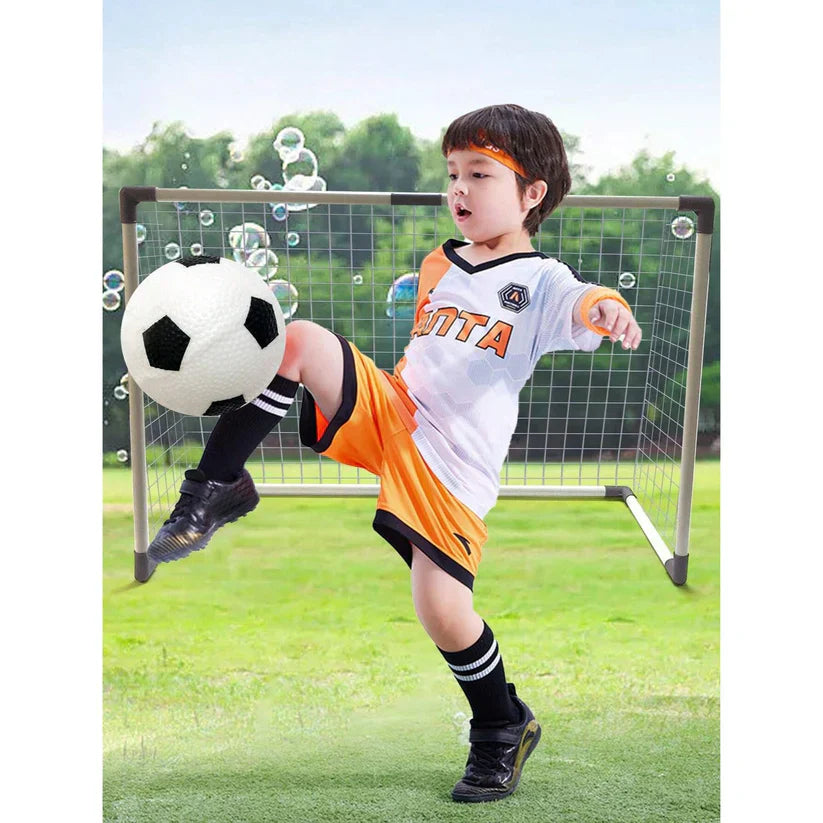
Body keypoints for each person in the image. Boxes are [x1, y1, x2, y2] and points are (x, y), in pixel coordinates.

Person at [147, 103, 642, 803]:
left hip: (453, 466)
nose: (459, 189)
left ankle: (503, 724)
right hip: (396, 411)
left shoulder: (542, 281)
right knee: (301, 341)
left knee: (441, 611)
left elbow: (583, 301)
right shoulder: (439, 260)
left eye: (480, 173)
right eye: (452, 174)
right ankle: (212, 489)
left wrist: (605, 307)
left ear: (532, 194)